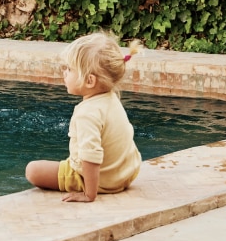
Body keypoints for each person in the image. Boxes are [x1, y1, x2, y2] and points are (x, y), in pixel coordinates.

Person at [25, 32, 143, 201]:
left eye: (69, 69)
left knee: (33, 170)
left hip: (103, 180)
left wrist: (89, 193)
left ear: (89, 81)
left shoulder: (86, 114)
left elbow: (90, 156)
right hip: (126, 174)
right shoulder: (111, 98)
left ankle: (91, 187)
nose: (64, 72)